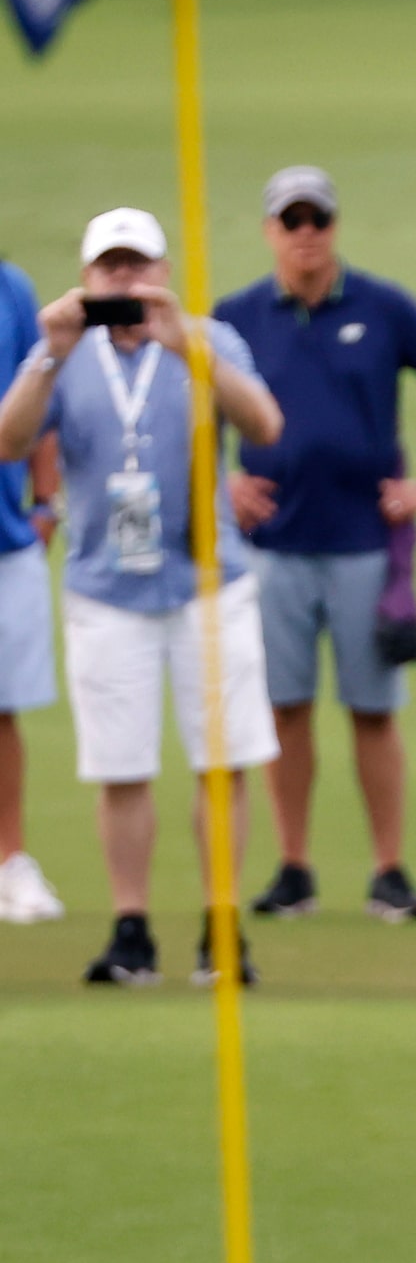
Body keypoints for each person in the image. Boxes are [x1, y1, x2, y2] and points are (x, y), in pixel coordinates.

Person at [0, 208, 286, 985]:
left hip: (206, 585)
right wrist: (47, 356)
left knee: (223, 762)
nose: (125, 282)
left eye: (138, 266)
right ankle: (131, 928)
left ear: (163, 271)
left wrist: (186, 346)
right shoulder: (65, 353)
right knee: (121, 766)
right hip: (106, 588)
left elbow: (263, 422)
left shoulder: (207, 340)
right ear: (88, 278)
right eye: (110, 269)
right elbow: (9, 440)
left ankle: (220, 925)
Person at [217, 165, 416, 925]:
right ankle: (295, 866)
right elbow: (186, 410)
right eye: (291, 221)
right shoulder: (236, 317)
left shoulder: (383, 307)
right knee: (285, 709)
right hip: (273, 544)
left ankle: (388, 870)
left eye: (318, 220)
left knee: (373, 708)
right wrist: (220, 487)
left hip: (365, 545)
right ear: (271, 230)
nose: (306, 234)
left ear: (334, 227)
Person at [0, 250, 66, 925]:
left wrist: (47, 503)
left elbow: (40, 404)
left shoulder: (10, 287)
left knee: (2, 708)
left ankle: (9, 862)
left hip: (4, 535)